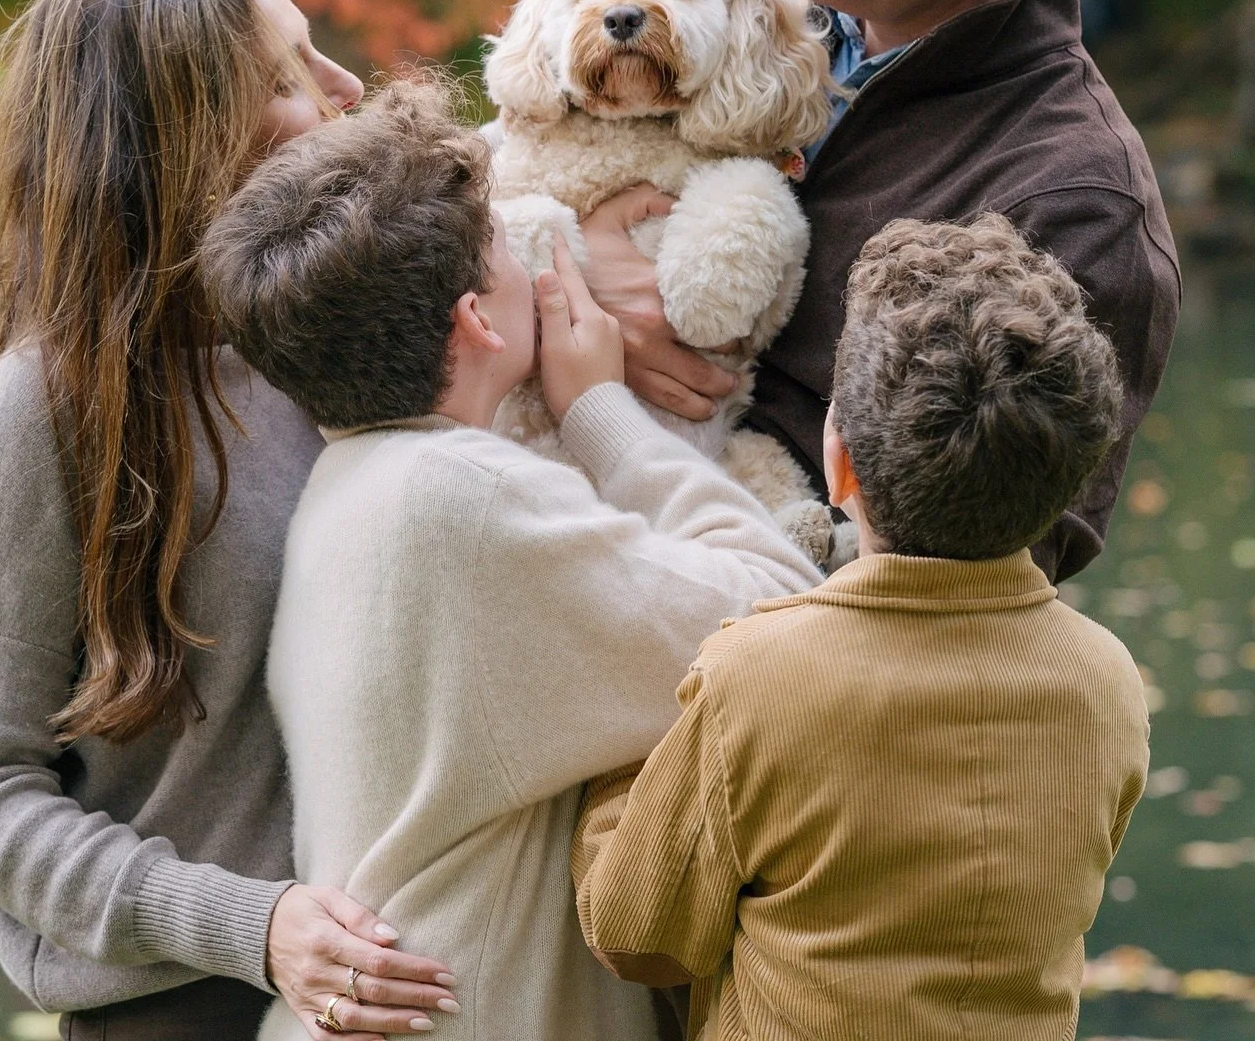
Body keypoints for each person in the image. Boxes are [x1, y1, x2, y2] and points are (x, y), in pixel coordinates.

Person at [0, 0, 462, 1041]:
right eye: (287, 77)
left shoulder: (336, 344)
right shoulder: (42, 412)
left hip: (416, 990)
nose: (347, 87)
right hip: (188, 1009)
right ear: (181, 139)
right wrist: (250, 927)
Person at [196, 84, 823, 1041]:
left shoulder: (348, 485)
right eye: (511, 250)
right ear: (479, 322)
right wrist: (598, 411)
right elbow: (784, 622)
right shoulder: (464, 500)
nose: (538, 264)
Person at [579, 0, 1181, 583]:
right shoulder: (734, 6)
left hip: (751, 660)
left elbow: (965, 587)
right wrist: (582, 275)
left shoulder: (1077, 208)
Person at [572, 213, 1152, 1041]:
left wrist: (616, 774)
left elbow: (637, 936)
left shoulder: (757, 676)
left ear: (837, 461)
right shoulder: (1107, 681)